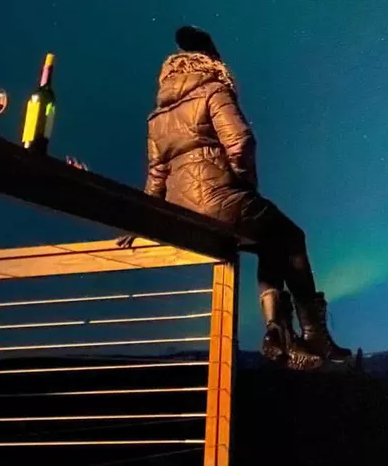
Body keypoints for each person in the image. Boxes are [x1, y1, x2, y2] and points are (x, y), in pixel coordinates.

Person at [123, 25, 351, 370]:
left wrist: (142, 222)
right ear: (209, 64)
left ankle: (279, 333)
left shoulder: (158, 117)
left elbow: (156, 177)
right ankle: (308, 331)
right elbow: (241, 142)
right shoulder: (213, 91)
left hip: (179, 212)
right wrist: (243, 185)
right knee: (291, 236)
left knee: (269, 237)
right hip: (220, 200)